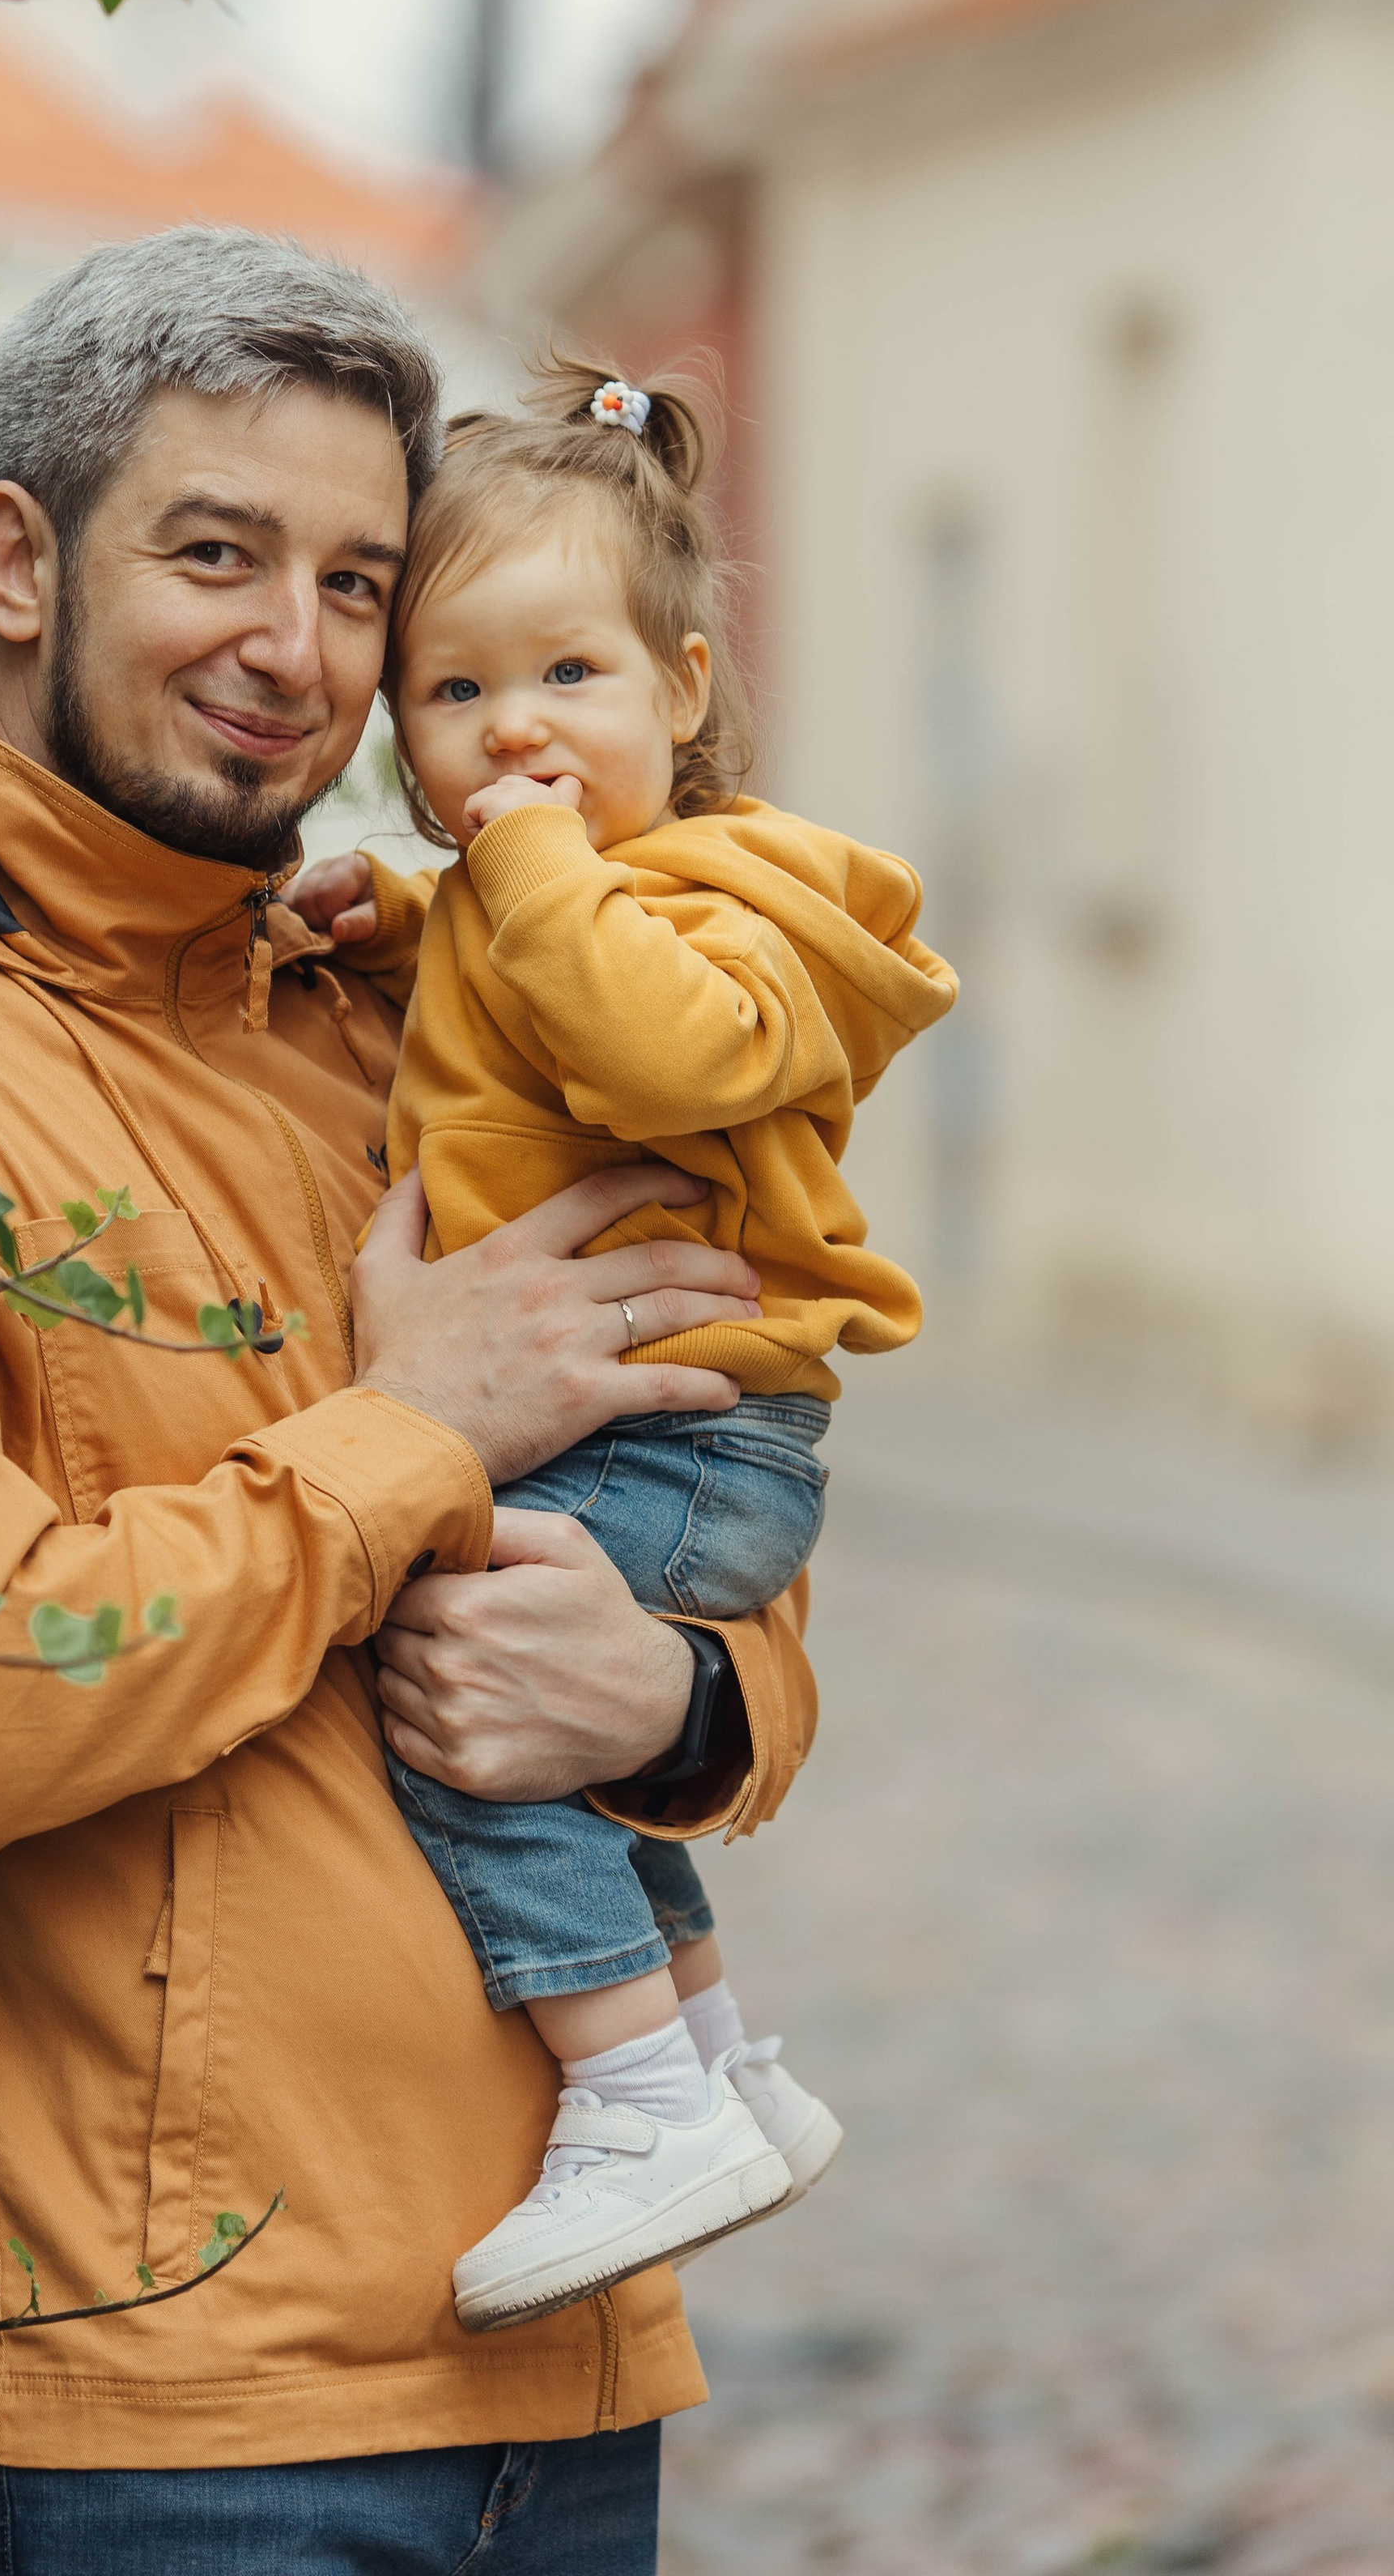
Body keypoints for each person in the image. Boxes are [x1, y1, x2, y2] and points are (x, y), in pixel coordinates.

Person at [0, 231, 822, 2576]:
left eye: (362, 585)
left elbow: (714, 1535)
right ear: (21, 557)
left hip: (557, 2343)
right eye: (217, 552)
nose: (299, 651)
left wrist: (670, 1697)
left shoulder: (389, 1012)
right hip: (161, 2401)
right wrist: (409, 1430)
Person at [289, 361, 955, 2335]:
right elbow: (525, 1001)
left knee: (460, 1707)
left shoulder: (748, 903)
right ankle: (723, 2058)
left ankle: (634, 2095)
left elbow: (658, 1037)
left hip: (688, 1442)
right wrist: (401, 920)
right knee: (560, 1758)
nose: (515, 735)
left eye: (566, 676)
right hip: (654, 1434)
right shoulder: (535, 893)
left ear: (679, 688)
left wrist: (498, 871)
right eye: (453, 692)